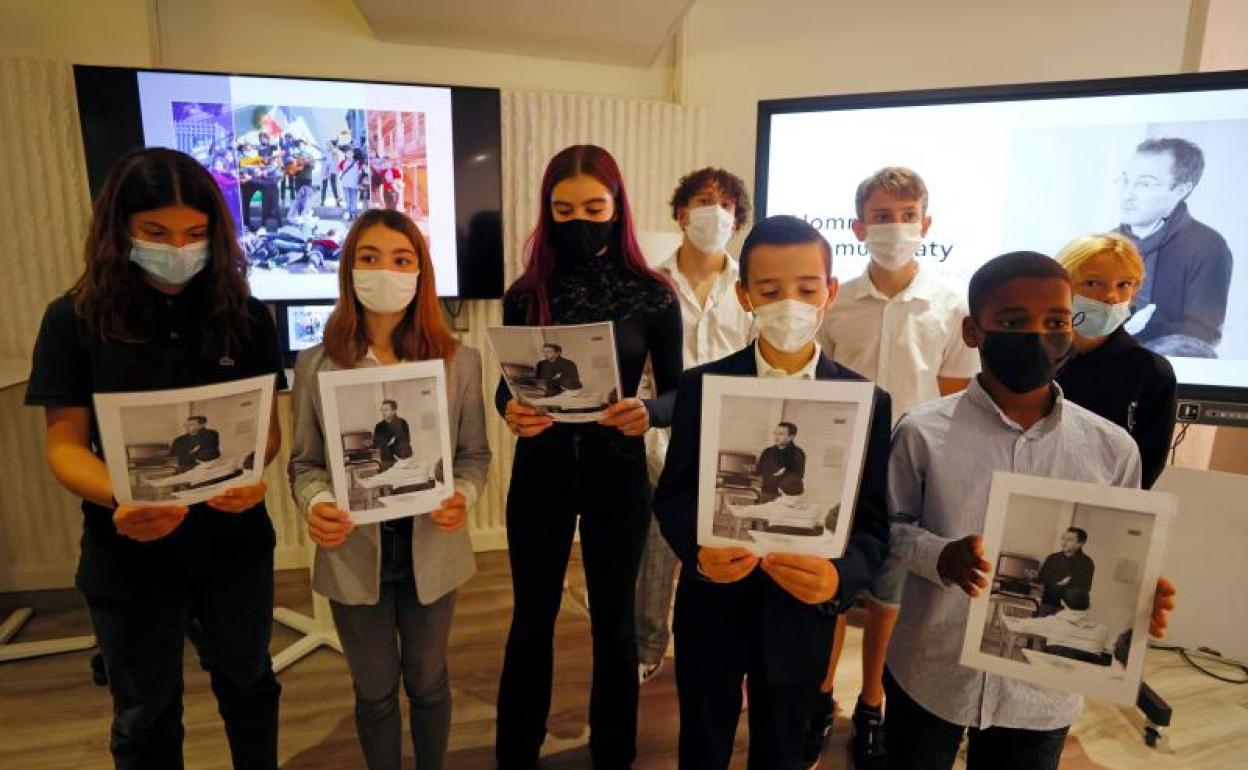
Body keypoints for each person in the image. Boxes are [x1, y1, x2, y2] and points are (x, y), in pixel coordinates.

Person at [25, 147, 286, 769]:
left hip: (233, 545)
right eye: (157, 232)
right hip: (128, 549)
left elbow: (266, 433)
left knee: (249, 686)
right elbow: (65, 446)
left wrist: (253, 473)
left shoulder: (246, 316)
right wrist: (124, 495)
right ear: (120, 229)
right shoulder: (73, 319)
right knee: (145, 712)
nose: (179, 248)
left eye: (195, 234)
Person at [883, 251, 1178, 770]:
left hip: (1042, 689)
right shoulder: (922, 432)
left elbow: (1117, 552)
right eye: (1014, 322)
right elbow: (891, 528)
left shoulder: (1111, 449)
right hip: (932, 667)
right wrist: (941, 555)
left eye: (1057, 322)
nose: (1039, 335)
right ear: (973, 332)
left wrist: (1135, 592)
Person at [654, 214, 892, 770]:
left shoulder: (866, 401)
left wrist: (839, 577)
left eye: (807, 289)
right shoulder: (702, 387)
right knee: (702, 742)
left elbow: (874, 523)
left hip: (801, 614)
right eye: (769, 290)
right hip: (712, 605)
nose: (790, 304)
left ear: (830, 291)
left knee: (783, 749)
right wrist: (699, 553)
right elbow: (673, 495)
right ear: (745, 296)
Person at [494, 144, 683, 770]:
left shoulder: (653, 295)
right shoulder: (526, 294)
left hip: (617, 471)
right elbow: (506, 385)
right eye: (564, 209)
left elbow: (678, 392)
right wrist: (511, 409)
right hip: (540, 470)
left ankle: (614, 753)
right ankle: (516, 751)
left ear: (618, 207)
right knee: (532, 616)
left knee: (614, 619)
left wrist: (648, 411)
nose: (580, 221)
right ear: (547, 211)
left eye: (594, 208)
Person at [289, 208, 492, 770]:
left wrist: (464, 495)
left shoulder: (460, 362)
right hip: (354, 552)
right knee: (375, 690)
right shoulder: (315, 365)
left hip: (433, 546)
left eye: (402, 260)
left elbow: (475, 455)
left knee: (427, 679)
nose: (386, 271)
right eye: (370, 258)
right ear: (349, 269)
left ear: (420, 271)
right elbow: (304, 464)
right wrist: (317, 503)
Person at [810, 166, 979, 768]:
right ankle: (820, 696)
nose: (895, 227)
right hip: (841, 466)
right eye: (882, 216)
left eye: (907, 216)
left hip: (913, 474)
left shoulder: (951, 306)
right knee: (832, 587)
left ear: (926, 224)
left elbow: (955, 401)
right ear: (859, 227)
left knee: (890, 594)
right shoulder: (835, 304)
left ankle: (872, 702)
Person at [635, 166, 754, 686]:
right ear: (682, 213)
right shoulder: (650, 285)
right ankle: (647, 643)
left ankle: (720, 646)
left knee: (730, 545)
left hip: (734, 435)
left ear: (738, 218)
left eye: (726, 205)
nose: (716, 213)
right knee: (659, 544)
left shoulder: (748, 287)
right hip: (661, 434)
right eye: (705, 201)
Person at [1055, 233, 1177, 489]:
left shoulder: (1151, 372)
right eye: (1092, 283)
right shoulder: (1035, 358)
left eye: (1124, 284)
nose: (1111, 296)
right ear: (1062, 286)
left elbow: (1142, 473)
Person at [1114, 137, 1232, 354]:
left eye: (1145, 184)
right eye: (1125, 180)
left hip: (1165, 367)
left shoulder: (1208, 246)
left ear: (1180, 190)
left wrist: (1145, 326)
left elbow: (1203, 337)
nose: (1128, 194)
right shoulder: (1103, 244)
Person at [1009, 586, 1113, 666]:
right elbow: (1113, 651)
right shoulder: (1103, 631)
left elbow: (1016, 627)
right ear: (1089, 605)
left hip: (1051, 677)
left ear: (1062, 603)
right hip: (1086, 681)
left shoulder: (1052, 623)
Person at [1037, 527, 1095, 616]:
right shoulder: (1052, 558)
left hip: (1068, 609)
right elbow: (1041, 578)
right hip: (1047, 603)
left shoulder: (1086, 563)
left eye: (1069, 540)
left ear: (1080, 544)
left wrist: (1057, 584)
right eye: (1063, 538)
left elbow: (1084, 588)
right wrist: (1059, 584)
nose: (1064, 543)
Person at [755, 422, 806, 503]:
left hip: (787, 497)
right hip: (766, 493)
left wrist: (782, 473)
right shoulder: (767, 452)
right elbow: (759, 472)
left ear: (791, 437)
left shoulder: (797, 453)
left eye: (781, 434)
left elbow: (797, 476)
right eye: (776, 434)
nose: (776, 437)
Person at [372, 399, 412, 471]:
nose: (383, 413)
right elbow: (377, 443)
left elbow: (402, 440)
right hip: (386, 460)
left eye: (386, 410)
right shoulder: (379, 426)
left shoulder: (402, 423)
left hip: (402, 459)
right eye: (382, 410)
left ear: (393, 411)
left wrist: (387, 443)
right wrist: (388, 442)